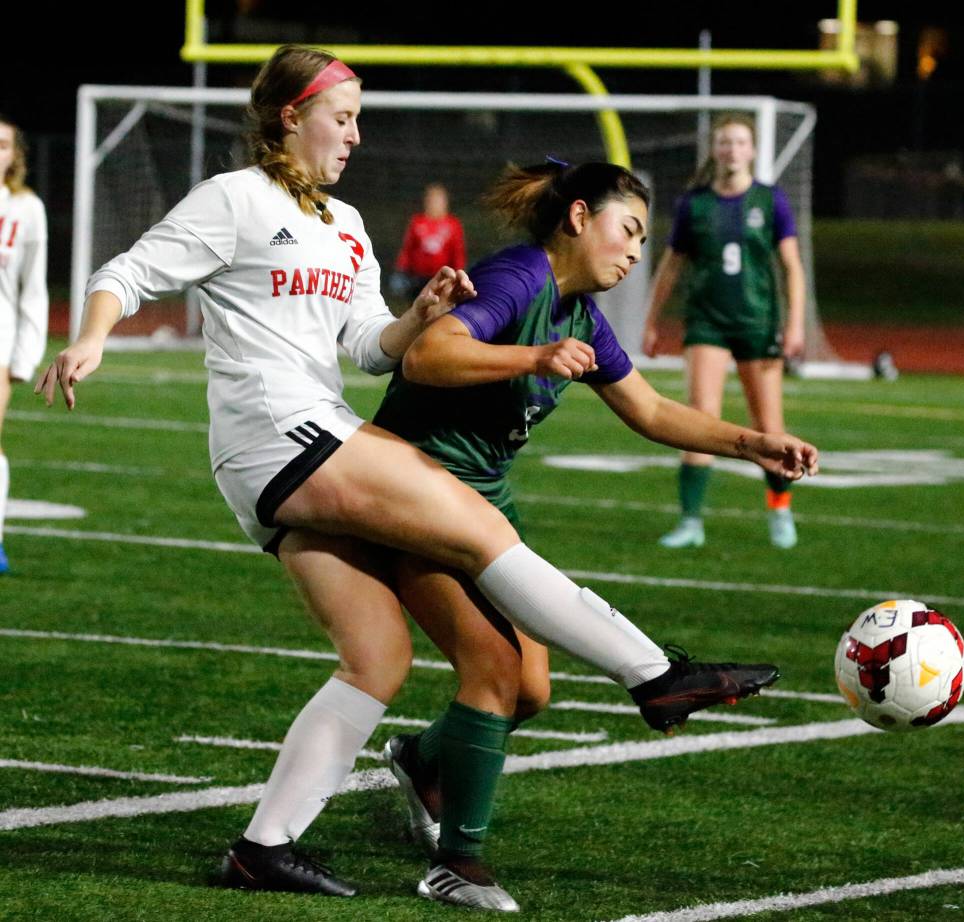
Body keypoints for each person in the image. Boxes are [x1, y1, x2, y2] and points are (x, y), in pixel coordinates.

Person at [35, 47, 809, 910]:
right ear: (290, 116)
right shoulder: (236, 199)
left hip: (316, 429)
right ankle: (653, 674)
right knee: (484, 536)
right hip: (275, 431)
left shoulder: (348, 225)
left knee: (378, 659)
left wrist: (416, 317)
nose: (357, 135)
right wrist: (93, 336)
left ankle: (261, 849)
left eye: (360, 118)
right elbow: (128, 272)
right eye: (344, 117)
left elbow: (370, 349)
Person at [372, 160, 820, 910]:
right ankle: (459, 862)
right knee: (494, 668)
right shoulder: (519, 277)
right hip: (410, 484)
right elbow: (427, 353)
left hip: (482, 497)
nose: (637, 251)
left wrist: (754, 444)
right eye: (629, 230)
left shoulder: (579, 313)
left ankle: (421, 761)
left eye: (645, 238)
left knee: (532, 690)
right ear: (578, 217)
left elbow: (650, 411)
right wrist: (535, 356)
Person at [642, 113, 807, 550]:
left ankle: (779, 510)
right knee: (700, 418)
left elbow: (791, 267)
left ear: (752, 150)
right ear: (714, 150)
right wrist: (651, 319)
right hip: (706, 323)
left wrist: (794, 324)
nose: (731, 150)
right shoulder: (694, 204)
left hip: (757, 323)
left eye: (739, 142)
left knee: (769, 423)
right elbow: (671, 265)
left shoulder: (770, 201)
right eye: (724, 142)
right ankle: (691, 521)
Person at [0, 114, 49, 574]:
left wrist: (25, 356)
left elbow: (32, 287)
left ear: (15, 156)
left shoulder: (25, 208)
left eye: (2, 145)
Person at [391, 182, 466, 303]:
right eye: (432, 200)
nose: (435, 204)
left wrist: (459, 273)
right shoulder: (417, 222)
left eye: (438, 201)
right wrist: (401, 271)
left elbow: (457, 252)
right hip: (418, 278)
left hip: (443, 277)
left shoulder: (453, 225)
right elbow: (408, 249)